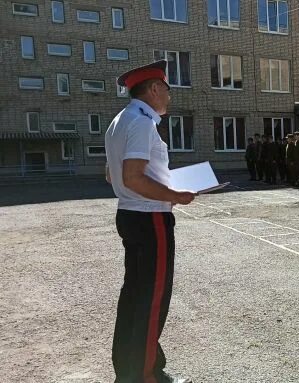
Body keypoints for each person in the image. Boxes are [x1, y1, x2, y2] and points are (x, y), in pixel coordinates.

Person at [105, 60, 194, 383]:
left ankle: (130, 371)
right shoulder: (142, 123)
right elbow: (133, 176)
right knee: (153, 299)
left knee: (134, 296)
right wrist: (175, 195)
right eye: (167, 90)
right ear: (154, 89)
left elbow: (111, 174)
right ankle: (146, 377)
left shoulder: (120, 120)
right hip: (149, 217)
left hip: (131, 214)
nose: (169, 97)